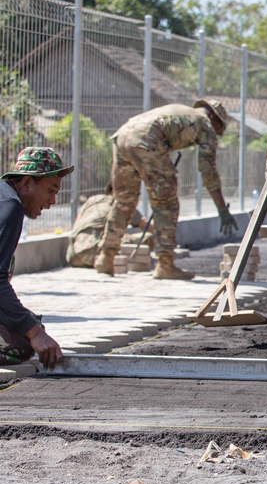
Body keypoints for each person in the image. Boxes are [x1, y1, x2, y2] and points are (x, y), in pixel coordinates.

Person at [93, 99, 237, 280]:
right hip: (146, 141)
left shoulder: (182, 112)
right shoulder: (205, 124)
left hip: (122, 137)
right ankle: (165, 264)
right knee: (166, 204)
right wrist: (222, 208)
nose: (217, 132)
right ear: (216, 119)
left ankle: (106, 257)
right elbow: (208, 171)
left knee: (124, 201)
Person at [1, 147, 73, 369]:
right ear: (26, 184)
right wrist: (34, 332)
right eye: (51, 190)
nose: (52, 201)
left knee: (27, 325)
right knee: (22, 344)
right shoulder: (10, 207)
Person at [67, 182, 152, 268]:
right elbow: (148, 228)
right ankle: (105, 261)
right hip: (95, 251)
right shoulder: (123, 204)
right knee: (149, 237)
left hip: (73, 254)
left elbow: (76, 225)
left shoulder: (93, 199)